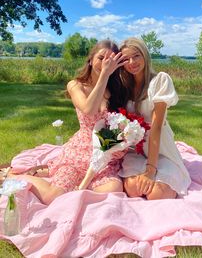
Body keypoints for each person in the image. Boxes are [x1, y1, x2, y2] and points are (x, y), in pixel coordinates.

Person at [8, 40, 127, 205]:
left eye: (110, 60)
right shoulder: (76, 85)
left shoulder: (116, 90)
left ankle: (79, 189)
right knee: (53, 197)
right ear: (91, 59)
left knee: (114, 190)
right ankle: (16, 177)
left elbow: (123, 122)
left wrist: (122, 141)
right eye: (101, 58)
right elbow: (88, 109)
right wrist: (105, 75)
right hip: (79, 153)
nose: (105, 63)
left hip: (104, 153)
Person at [118, 37, 191, 200]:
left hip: (160, 148)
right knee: (133, 189)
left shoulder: (160, 80)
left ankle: (163, 174)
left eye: (136, 56)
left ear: (145, 55)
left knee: (156, 194)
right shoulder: (124, 85)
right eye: (126, 59)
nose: (132, 62)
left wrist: (151, 169)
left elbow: (156, 127)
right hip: (136, 150)